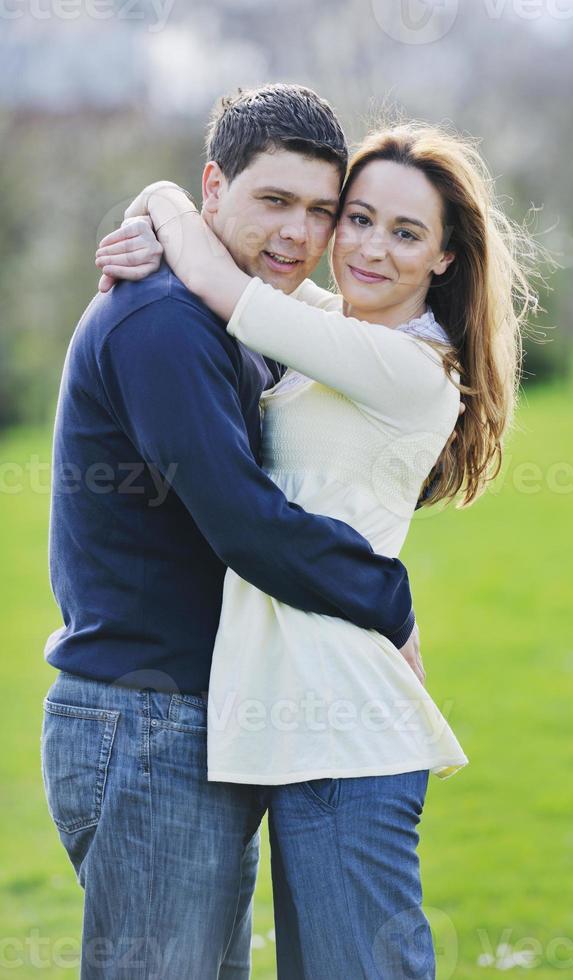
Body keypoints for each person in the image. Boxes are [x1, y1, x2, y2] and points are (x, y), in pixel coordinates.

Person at [95, 117, 540, 978]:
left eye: (407, 232)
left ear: (445, 257)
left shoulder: (411, 367)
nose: (370, 248)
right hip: (299, 727)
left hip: (346, 733)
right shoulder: (339, 327)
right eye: (358, 218)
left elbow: (230, 294)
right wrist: (156, 203)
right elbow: (227, 265)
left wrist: (160, 208)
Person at [40, 84, 428, 980]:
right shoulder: (165, 321)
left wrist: (159, 204)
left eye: (322, 211)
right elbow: (243, 522)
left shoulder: (233, 312)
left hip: (199, 721)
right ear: (215, 187)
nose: (299, 232)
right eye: (274, 201)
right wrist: (388, 597)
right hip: (144, 723)